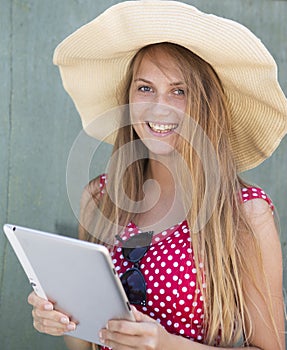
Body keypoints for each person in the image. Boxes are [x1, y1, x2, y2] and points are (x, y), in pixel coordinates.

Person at [28, 1, 286, 349]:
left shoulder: (245, 214)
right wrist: (62, 316)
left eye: (179, 91)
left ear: (205, 105)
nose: (158, 106)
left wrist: (164, 344)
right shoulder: (99, 199)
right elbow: (84, 342)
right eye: (145, 88)